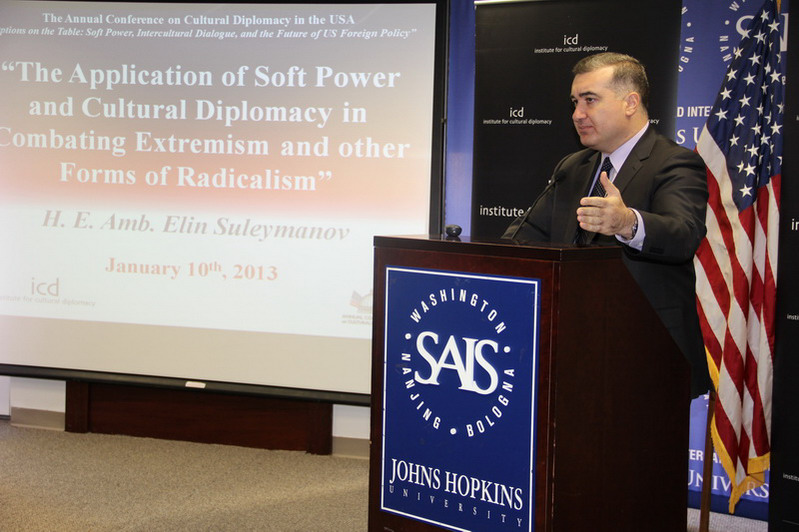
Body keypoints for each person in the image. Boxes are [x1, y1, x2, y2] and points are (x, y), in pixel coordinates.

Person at [503, 52, 711, 398]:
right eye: (575, 102)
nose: (577, 114)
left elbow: (684, 235)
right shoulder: (573, 167)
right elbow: (529, 234)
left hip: (648, 355)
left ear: (630, 103)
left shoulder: (674, 162)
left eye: (590, 100)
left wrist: (628, 222)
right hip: (576, 350)